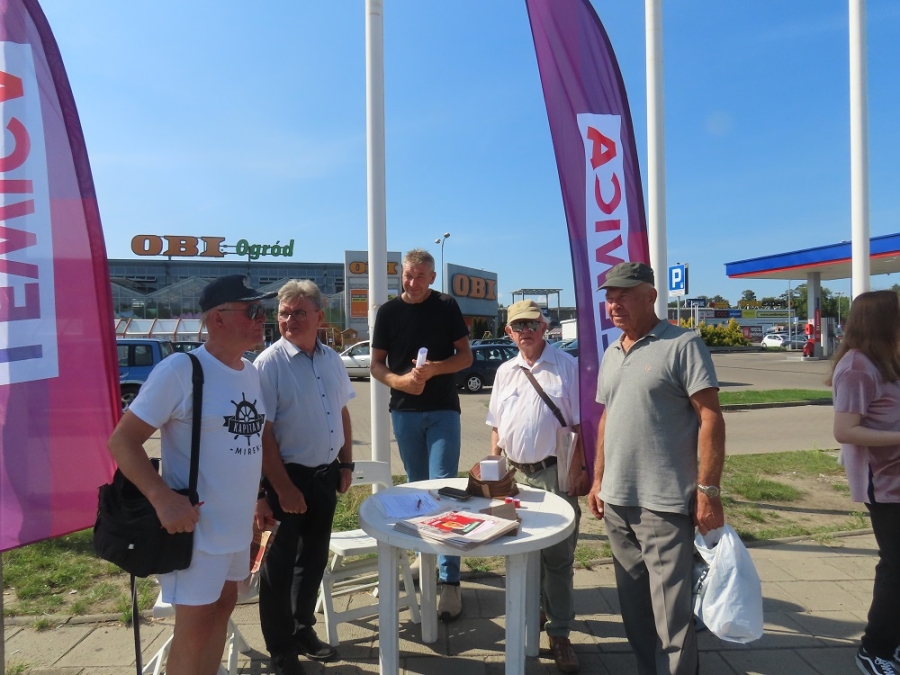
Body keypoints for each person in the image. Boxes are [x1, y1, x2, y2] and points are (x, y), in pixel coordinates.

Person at [107, 275, 275, 675]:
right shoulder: (181, 370)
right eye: (252, 310)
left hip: (236, 529)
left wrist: (259, 497)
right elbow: (122, 441)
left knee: (222, 610)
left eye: (262, 310)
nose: (262, 319)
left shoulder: (250, 372)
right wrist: (162, 498)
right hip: (195, 531)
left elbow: (247, 446)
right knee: (195, 628)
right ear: (218, 318)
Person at [587, 262, 725, 675]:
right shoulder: (613, 351)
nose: (614, 305)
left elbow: (710, 418)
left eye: (625, 296)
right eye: (610, 298)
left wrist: (708, 491)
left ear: (651, 296)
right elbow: (608, 417)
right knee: (635, 611)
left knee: (671, 618)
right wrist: (597, 479)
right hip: (616, 500)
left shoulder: (683, 344)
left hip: (663, 503)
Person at [254, 280, 355, 675]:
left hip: (325, 477)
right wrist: (282, 488)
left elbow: (342, 411)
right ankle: (282, 652)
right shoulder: (269, 364)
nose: (289, 319)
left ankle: (301, 629)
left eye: (298, 312)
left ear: (319, 316)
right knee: (278, 570)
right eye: (284, 313)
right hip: (287, 479)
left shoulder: (331, 359)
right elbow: (262, 433)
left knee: (312, 561)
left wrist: (346, 464)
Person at [485, 300, 588, 674]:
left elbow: (580, 425)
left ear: (545, 327)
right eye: (518, 326)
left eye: (532, 324)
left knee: (558, 558)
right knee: (520, 555)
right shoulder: (504, 371)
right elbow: (497, 426)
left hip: (554, 474)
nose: (526, 331)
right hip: (514, 477)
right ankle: (533, 617)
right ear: (509, 332)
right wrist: (492, 469)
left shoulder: (566, 366)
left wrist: (579, 471)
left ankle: (559, 634)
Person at [371, 247, 473, 621]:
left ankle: (450, 581)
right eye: (407, 276)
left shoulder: (446, 306)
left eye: (419, 277)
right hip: (405, 412)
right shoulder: (388, 312)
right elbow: (376, 365)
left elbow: (466, 357)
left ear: (432, 277)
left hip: (444, 410)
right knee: (417, 492)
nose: (412, 283)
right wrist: (400, 381)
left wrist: (434, 369)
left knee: (443, 488)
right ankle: (424, 558)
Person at [829, 290, 900, 675]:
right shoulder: (857, 366)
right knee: (895, 568)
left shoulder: (887, 360)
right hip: (885, 484)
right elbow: (845, 430)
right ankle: (875, 649)